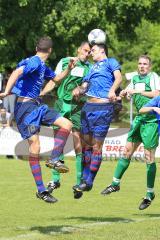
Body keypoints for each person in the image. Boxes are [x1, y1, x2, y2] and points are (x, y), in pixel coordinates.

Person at [0, 36, 76, 203]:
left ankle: (54, 159)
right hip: (25, 110)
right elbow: (16, 72)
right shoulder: (34, 62)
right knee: (35, 146)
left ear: (37, 47)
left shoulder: (41, 65)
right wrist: (6, 92)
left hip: (36, 107)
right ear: (50, 50)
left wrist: (69, 68)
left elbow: (56, 79)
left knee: (67, 124)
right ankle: (41, 190)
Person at [101, 55, 160, 210]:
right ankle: (115, 184)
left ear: (150, 66)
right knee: (126, 151)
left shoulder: (154, 77)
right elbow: (129, 98)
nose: (142, 66)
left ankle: (149, 193)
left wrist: (137, 90)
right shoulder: (134, 79)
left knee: (149, 157)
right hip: (139, 120)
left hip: (151, 122)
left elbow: (156, 94)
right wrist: (125, 95)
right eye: (140, 63)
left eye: (145, 64)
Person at [72, 43, 122, 195]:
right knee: (86, 146)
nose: (90, 53)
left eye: (93, 50)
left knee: (96, 147)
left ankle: (89, 181)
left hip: (103, 108)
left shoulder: (110, 62)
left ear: (102, 51)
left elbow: (118, 78)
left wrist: (112, 90)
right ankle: (84, 180)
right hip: (87, 108)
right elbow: (85, 85)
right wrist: (79, 90)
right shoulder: (92, 68)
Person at [46, 42, 91, 199]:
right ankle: (55, 180)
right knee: (58, 142)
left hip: (77, 108)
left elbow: (88, 87)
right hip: (60, 104)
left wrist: (81, 91)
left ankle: (78, 183)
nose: (87, 54)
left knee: (78, 144)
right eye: (85, 50)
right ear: (78, 49)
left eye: (90, 52)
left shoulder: (90, 68)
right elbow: (55, 79)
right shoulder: (65, 61)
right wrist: (42, 92)